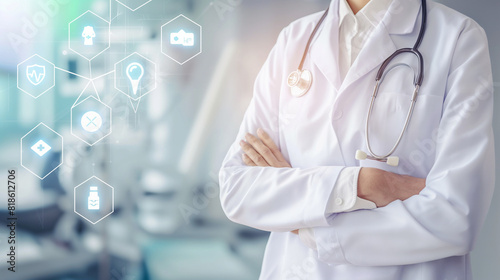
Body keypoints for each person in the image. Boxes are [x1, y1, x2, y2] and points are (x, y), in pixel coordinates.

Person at [219, 0, 495, 279]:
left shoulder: (458, 37)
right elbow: (238, 188)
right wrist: (365, 184)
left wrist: (301, 214)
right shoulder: (295, 39)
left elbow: (456, 216)